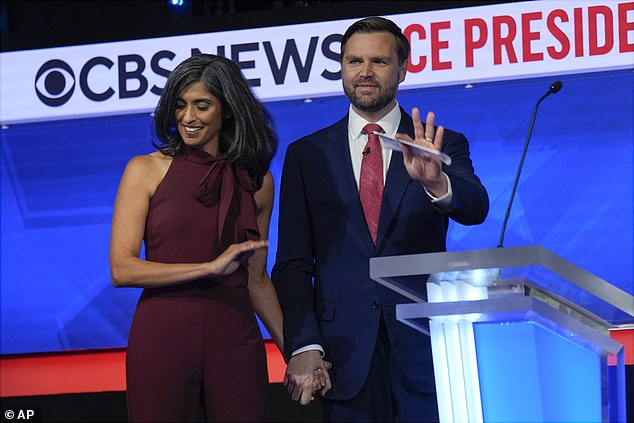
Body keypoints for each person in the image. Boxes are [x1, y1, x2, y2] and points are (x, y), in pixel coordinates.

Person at [271, 16, 490, 422]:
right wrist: (304, 345)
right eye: (354, 61)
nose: (365, 73)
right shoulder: (307, 155)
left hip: (425, 348)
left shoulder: (438, 143)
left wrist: (437, 182)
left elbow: (476, 207)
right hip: (343, 355)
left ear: (402, 69)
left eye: (379, 62)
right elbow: (292, 264)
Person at [109, 53, 298, 422]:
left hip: (233, 335)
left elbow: (257, 280)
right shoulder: (144, 170)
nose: (187, 117)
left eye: (201, 105)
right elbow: (122, 269)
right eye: (180, 105)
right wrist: (208, 267)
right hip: (163, 335)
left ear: (227, 109)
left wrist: (297, 353)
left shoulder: (257, 182)